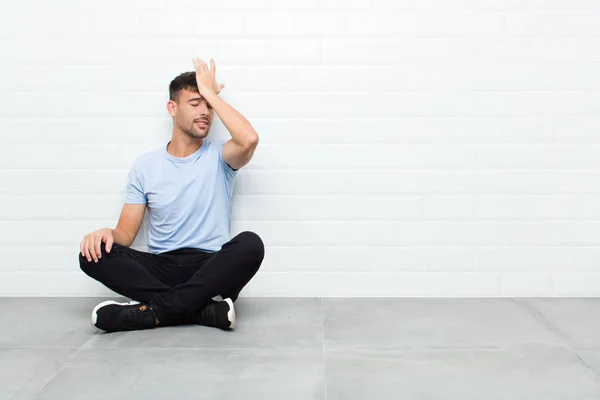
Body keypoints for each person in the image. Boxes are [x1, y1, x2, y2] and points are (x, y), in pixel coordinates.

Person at [79, 57, 264, 333]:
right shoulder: (146, 165)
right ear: (172, 108)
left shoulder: (220, 156)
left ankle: (152, 312)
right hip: (160, 266)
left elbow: (249, 139)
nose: (205, 112)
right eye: (195, 103)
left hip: (209, 268)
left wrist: (211, 93)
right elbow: (126, 235)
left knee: (251, 244)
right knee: (91, 255)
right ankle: (203, 311)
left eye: (209, 106)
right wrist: (105, 233)